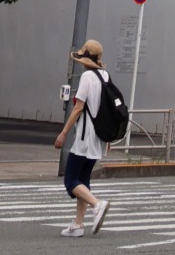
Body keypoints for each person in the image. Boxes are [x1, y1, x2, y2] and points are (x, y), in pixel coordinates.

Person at [54, 39, 110, 237]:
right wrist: (108, 137)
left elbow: (78, 108)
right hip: (98, 138)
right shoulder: (105, 76)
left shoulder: (87, 77)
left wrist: (63, 133)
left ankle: (97, 204)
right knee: (83, 180)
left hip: (85, 138)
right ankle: (78, 224)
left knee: (70, 180)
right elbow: (106, 109)